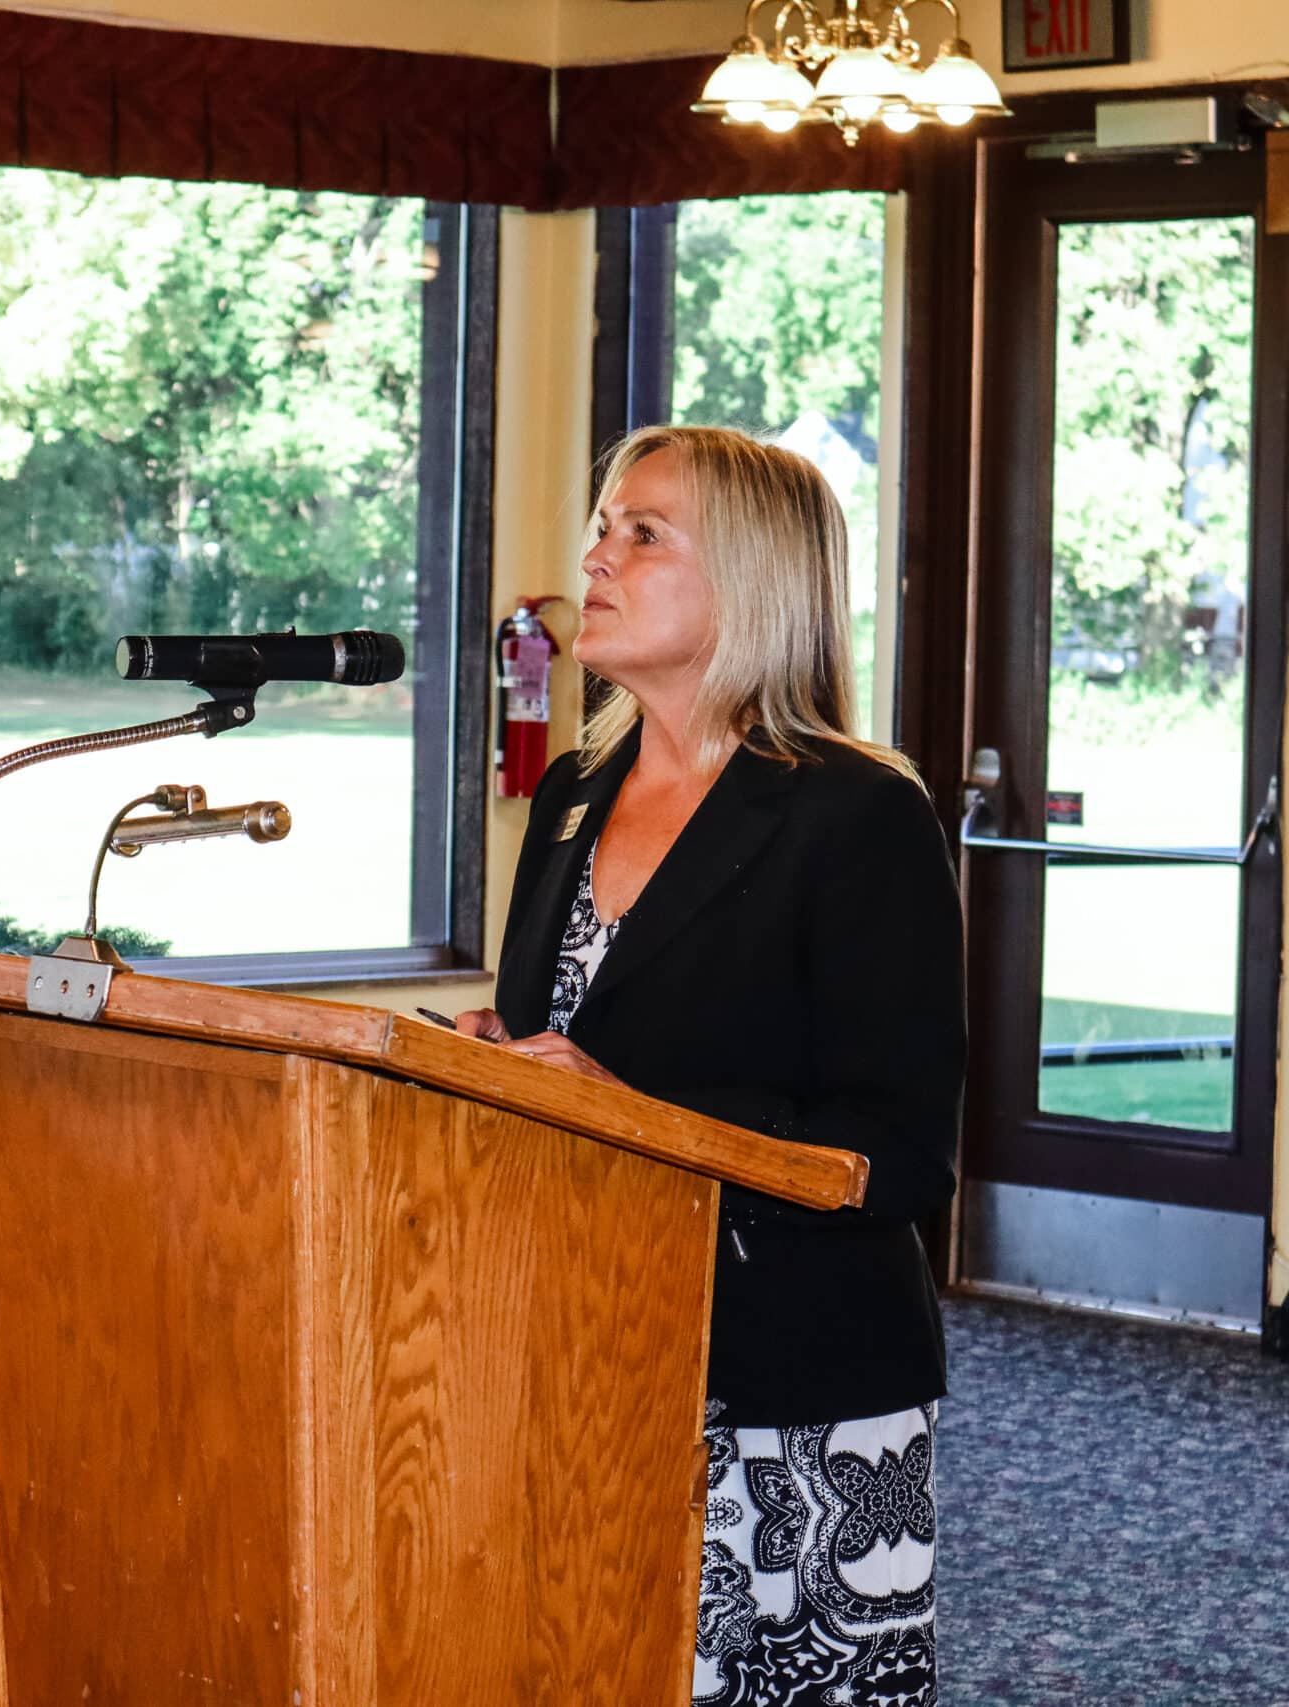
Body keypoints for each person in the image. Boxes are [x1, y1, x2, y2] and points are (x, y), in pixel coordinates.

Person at [456, 425, 964, 1707]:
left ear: (750, 576)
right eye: (602, 528)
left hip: (790, 1377)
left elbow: (898, 1152)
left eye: (643, 534)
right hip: (583, 1345)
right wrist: (500, 1064)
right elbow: (572, 1040)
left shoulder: (857, 813)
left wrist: (632, 1112)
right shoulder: (575, 790)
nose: (596, 558)